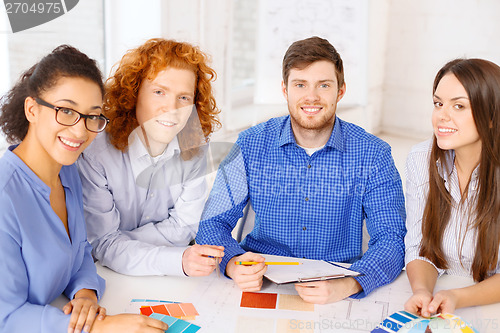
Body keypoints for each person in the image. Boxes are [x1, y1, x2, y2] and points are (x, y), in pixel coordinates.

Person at [196, 36, 406, 304]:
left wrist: (352, 283)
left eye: (324, 85)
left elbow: (391, 238)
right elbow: (213, 222)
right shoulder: (250, 144)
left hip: (335, 286)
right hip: (260, 280)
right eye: (300, 84)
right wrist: (232, 263)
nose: (311, 96)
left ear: (340, 91)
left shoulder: (374, 154)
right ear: (285, 90)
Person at [0, 45, 168, 333]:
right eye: (66, 110)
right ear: (32, 109)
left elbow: (79, 253)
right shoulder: (6, 196)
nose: (80, 131)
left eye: (92, 116)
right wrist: (101, 328)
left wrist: (85, 295)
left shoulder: (68, 171)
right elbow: (6, 317)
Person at [76, 38, 224, 277]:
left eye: (184, 97)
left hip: (159, 276)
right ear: (133, 94)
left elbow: (185, 226)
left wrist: (119, 245)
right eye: (159, 92)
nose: (171, 108)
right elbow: (102, 243)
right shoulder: (96, 154)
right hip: (104, 277)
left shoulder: (194, 146)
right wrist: (111, 245)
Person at [405, 58, 500, 317]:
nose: (441, 115)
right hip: (444, 293)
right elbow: (418, 247)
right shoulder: (421, 158)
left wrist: (458, 297)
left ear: (491, 117)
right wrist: (422, 291)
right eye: (438, 103)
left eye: (459, 106)